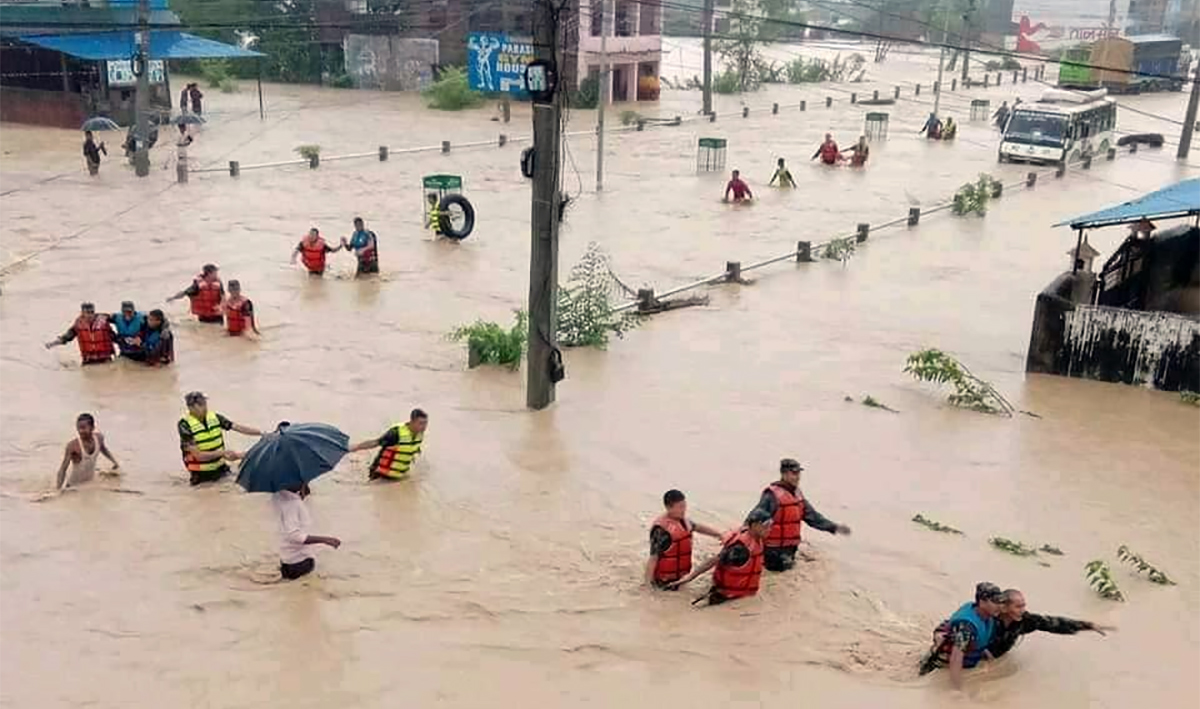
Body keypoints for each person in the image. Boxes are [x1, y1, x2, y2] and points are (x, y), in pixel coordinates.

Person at [752, 458, 851, 572]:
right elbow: (754, 519)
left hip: (790, 549)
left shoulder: (797, 494)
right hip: (773, 551)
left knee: (788, 571)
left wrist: (834, 527)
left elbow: (813, 517)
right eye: (794, 473)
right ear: (784, 474)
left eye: (798, 473)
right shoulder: (771, 496)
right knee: (780, 576)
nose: (797, 477)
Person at [667, 509, 772, 607]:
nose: (769, 529)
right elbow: (714, 560)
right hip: (727, 596)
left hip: (744, 595)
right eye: (766, 526)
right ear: (754, 526)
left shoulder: (757, 539)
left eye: (770, 526)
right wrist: (690, 577)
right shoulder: (740, 549)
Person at [917, 582, 1007, 688]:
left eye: (1001, 602)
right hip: (939, 666)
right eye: (995, 602)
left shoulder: (988, 616)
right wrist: (956, 689)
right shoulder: (966, 628)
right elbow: (955, 659)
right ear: (982, 602)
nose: (1000, 606)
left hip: (969, 660)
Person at [988, 589, 1113, 659]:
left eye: (1023, 606)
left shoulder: (1024, 621)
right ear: (1004, 608)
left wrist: (1087, 625)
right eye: (1018, 607)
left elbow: (1053, 623)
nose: (1023, 610)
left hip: (996, 658)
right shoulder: (989, 619)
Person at [177, 391, 262, 486]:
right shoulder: (184, 425)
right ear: (191, 407)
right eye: (201, 404)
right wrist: (223, 453)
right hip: (202, 477)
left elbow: (238, 427)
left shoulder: (215, 417)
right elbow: (198, 456)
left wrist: (262, 434)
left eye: (205, 403)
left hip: (222, 469)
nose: (205, 407)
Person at [645, 489, 724, 588]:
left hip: (683, 577)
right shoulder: (661, 530)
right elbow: (653, 558)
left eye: (684, 506)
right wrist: (647, 585)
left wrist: (719, 535)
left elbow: (698, 527)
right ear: (669, 508)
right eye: (680, 507)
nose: (684, 510)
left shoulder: (684, 521)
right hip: (664, 582)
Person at [273, 483, 341, 580]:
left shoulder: (277, 497)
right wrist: (326, 540)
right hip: (301, 563)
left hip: (286, 561)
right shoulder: (293, 503)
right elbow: (294, 536)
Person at [348, 409, 429, 481]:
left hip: (398, 477)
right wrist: (355, 447)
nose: (424, 427)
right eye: (421, 423)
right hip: (380, 476)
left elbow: (412, 449)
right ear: (412, 422)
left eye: (425, 423)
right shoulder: (395, 433)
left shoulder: (420, 435)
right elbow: (375, 442)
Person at [53, 413, 120, 491]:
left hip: (90, 483)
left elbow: (103, 449)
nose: (80, 431)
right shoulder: (72, 446)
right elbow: (62, 469)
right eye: (78, 428)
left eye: (83, 428)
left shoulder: (99, 438)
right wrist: (58, 489)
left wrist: (115, 463)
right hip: (73, 487)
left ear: (92, 428)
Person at [45, 302, 116, 365]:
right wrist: (53, 343)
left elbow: (115, 337)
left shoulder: (103, 322)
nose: (90, 315)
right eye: (87, 313)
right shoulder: (78, 324)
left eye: (92, 312)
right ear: (82, 313)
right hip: (88, 360)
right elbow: (67, 337)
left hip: (105, 359)